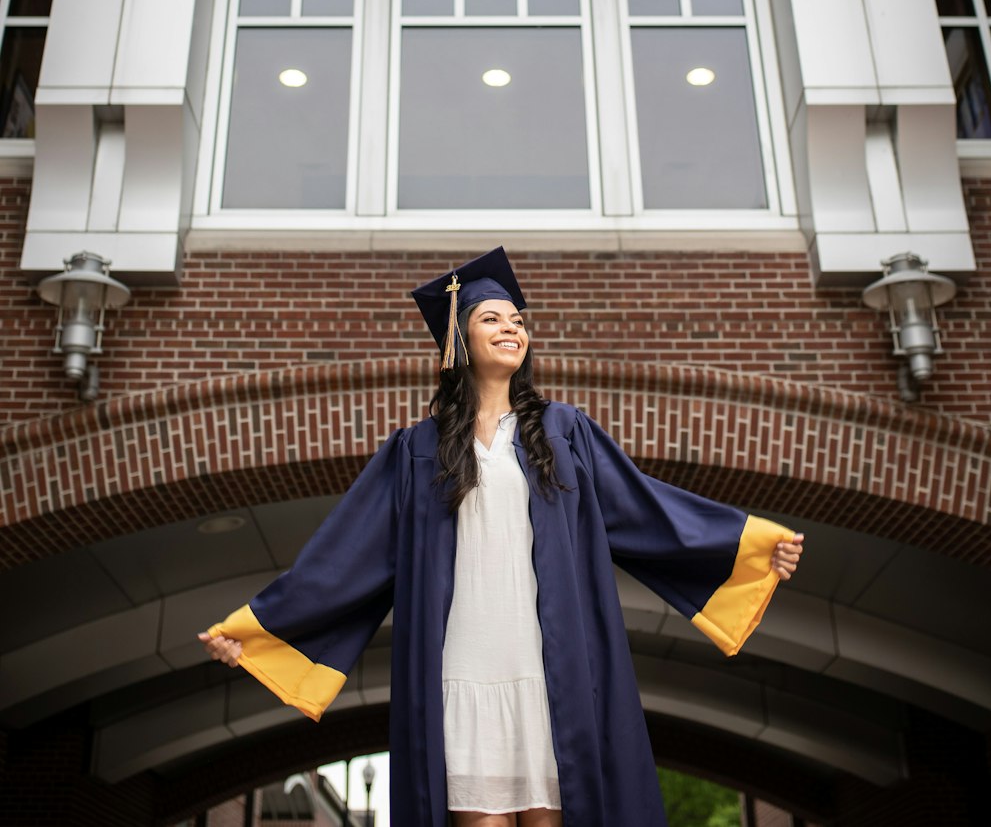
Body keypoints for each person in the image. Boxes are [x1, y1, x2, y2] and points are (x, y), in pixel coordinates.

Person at [200, 247, 803, 827]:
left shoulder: (565, 433)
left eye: (518, 320)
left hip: (550, 665)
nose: (511, 328)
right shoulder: (415, 450)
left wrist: (746, 545)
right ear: (459, 339)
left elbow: (647, 510)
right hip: (462, 667)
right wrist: (256, 630)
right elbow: (345, 558)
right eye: (492, 318)